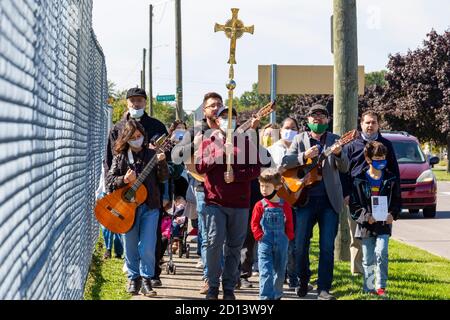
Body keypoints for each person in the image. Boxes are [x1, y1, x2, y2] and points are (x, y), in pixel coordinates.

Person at [280, 104, 349, 300]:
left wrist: (338, 154)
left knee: (327, 247)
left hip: (329, 201)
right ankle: (303, 280)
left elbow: (345, 167)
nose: (317, 119)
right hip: (304, 200)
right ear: (308, 120)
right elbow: (286, 162)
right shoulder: (300, 139)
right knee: (300, 245)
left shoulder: (336, 140)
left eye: (322, 116)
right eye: (314, 116)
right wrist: (303, 156)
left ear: (327, 120)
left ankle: (323, 288)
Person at [104, 87, 169, 288]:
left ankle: (150, 276)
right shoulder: (117, 129)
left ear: (145, 102)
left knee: (150, 242)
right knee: (130, 243)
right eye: (132, 100)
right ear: (127, 103)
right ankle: (134, 278)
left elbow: (166, 170)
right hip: (127, 198)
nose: (136, 104)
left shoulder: (156, 125)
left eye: (140, 100)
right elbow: (109, 165)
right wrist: (121, 182)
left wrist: (162, 163)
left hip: (150, 197)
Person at [196, 106, 261, 300]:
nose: (228, 120)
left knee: (234, 246)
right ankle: (213, 286)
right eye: (224, 117)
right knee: (214, 243)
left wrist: (237, 176)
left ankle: (229, 287)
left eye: (232, 117)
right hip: (214, 201)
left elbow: (256, 169)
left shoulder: (246, 142)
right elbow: (200, 167)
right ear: (216, 120)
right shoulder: (209, 142)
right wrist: (218, 151)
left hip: (239, 204)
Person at [172, 92, 223, 294]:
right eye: (212, 105)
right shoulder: (195, 131)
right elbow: (176, 156)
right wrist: (196, 143)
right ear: (205, 109)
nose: (216, 108)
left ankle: (225, 275)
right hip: (202, 187)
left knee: (223, 235)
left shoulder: (229, 129)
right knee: (207, 233)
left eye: (219, 104)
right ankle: (209, 278)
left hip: (227, 188)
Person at [343, 110, 400, 276]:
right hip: (358, 198)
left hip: (381, 199)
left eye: (373, 122)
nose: (370, 125)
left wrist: (393, 206)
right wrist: (346, 194)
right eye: (367, 122)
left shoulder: (386, 145)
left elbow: (394, 171)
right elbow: (344, 172)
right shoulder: (351, 145)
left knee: (380, 237)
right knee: (358, 236)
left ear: (378, 125)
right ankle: (358, 271)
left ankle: (377, 274)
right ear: (361, 124)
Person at [349, 141, 401, 297]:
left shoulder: (390, 179)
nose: (381, 161)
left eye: (383, 157)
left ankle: (381, 286)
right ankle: (369, 287)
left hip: (384, 224)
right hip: (366, 226)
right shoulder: (359, 179)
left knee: (381, 252)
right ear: (368, 159)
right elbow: (354, 205)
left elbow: (398, 200)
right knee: (368, 258)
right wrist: (366, 216)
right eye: (377, 157)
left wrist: (393, 214)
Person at [251, 169, 294, 300]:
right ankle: (265, 297)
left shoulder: (284, 205)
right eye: (261, 186)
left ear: (277, 187)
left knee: (280, 271)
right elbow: (254, 223)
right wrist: (259, 235)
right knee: (265, 271)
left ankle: (276, 295)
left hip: (282, 241)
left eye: (267, 186)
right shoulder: (260, 205)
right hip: (265, 241)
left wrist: (288, 236)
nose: (263, 189)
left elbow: (290, 222)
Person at [267, 117, 300, 290]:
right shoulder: (271, 150)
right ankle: (277, 277)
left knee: (293, 243)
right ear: (280, 131)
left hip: (296, 200)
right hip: (277, 201)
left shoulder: (302, 149)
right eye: (287, 128)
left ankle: (293, 278)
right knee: (276, 242)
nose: (290, 130)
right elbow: (266, 174)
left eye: (293, 128)